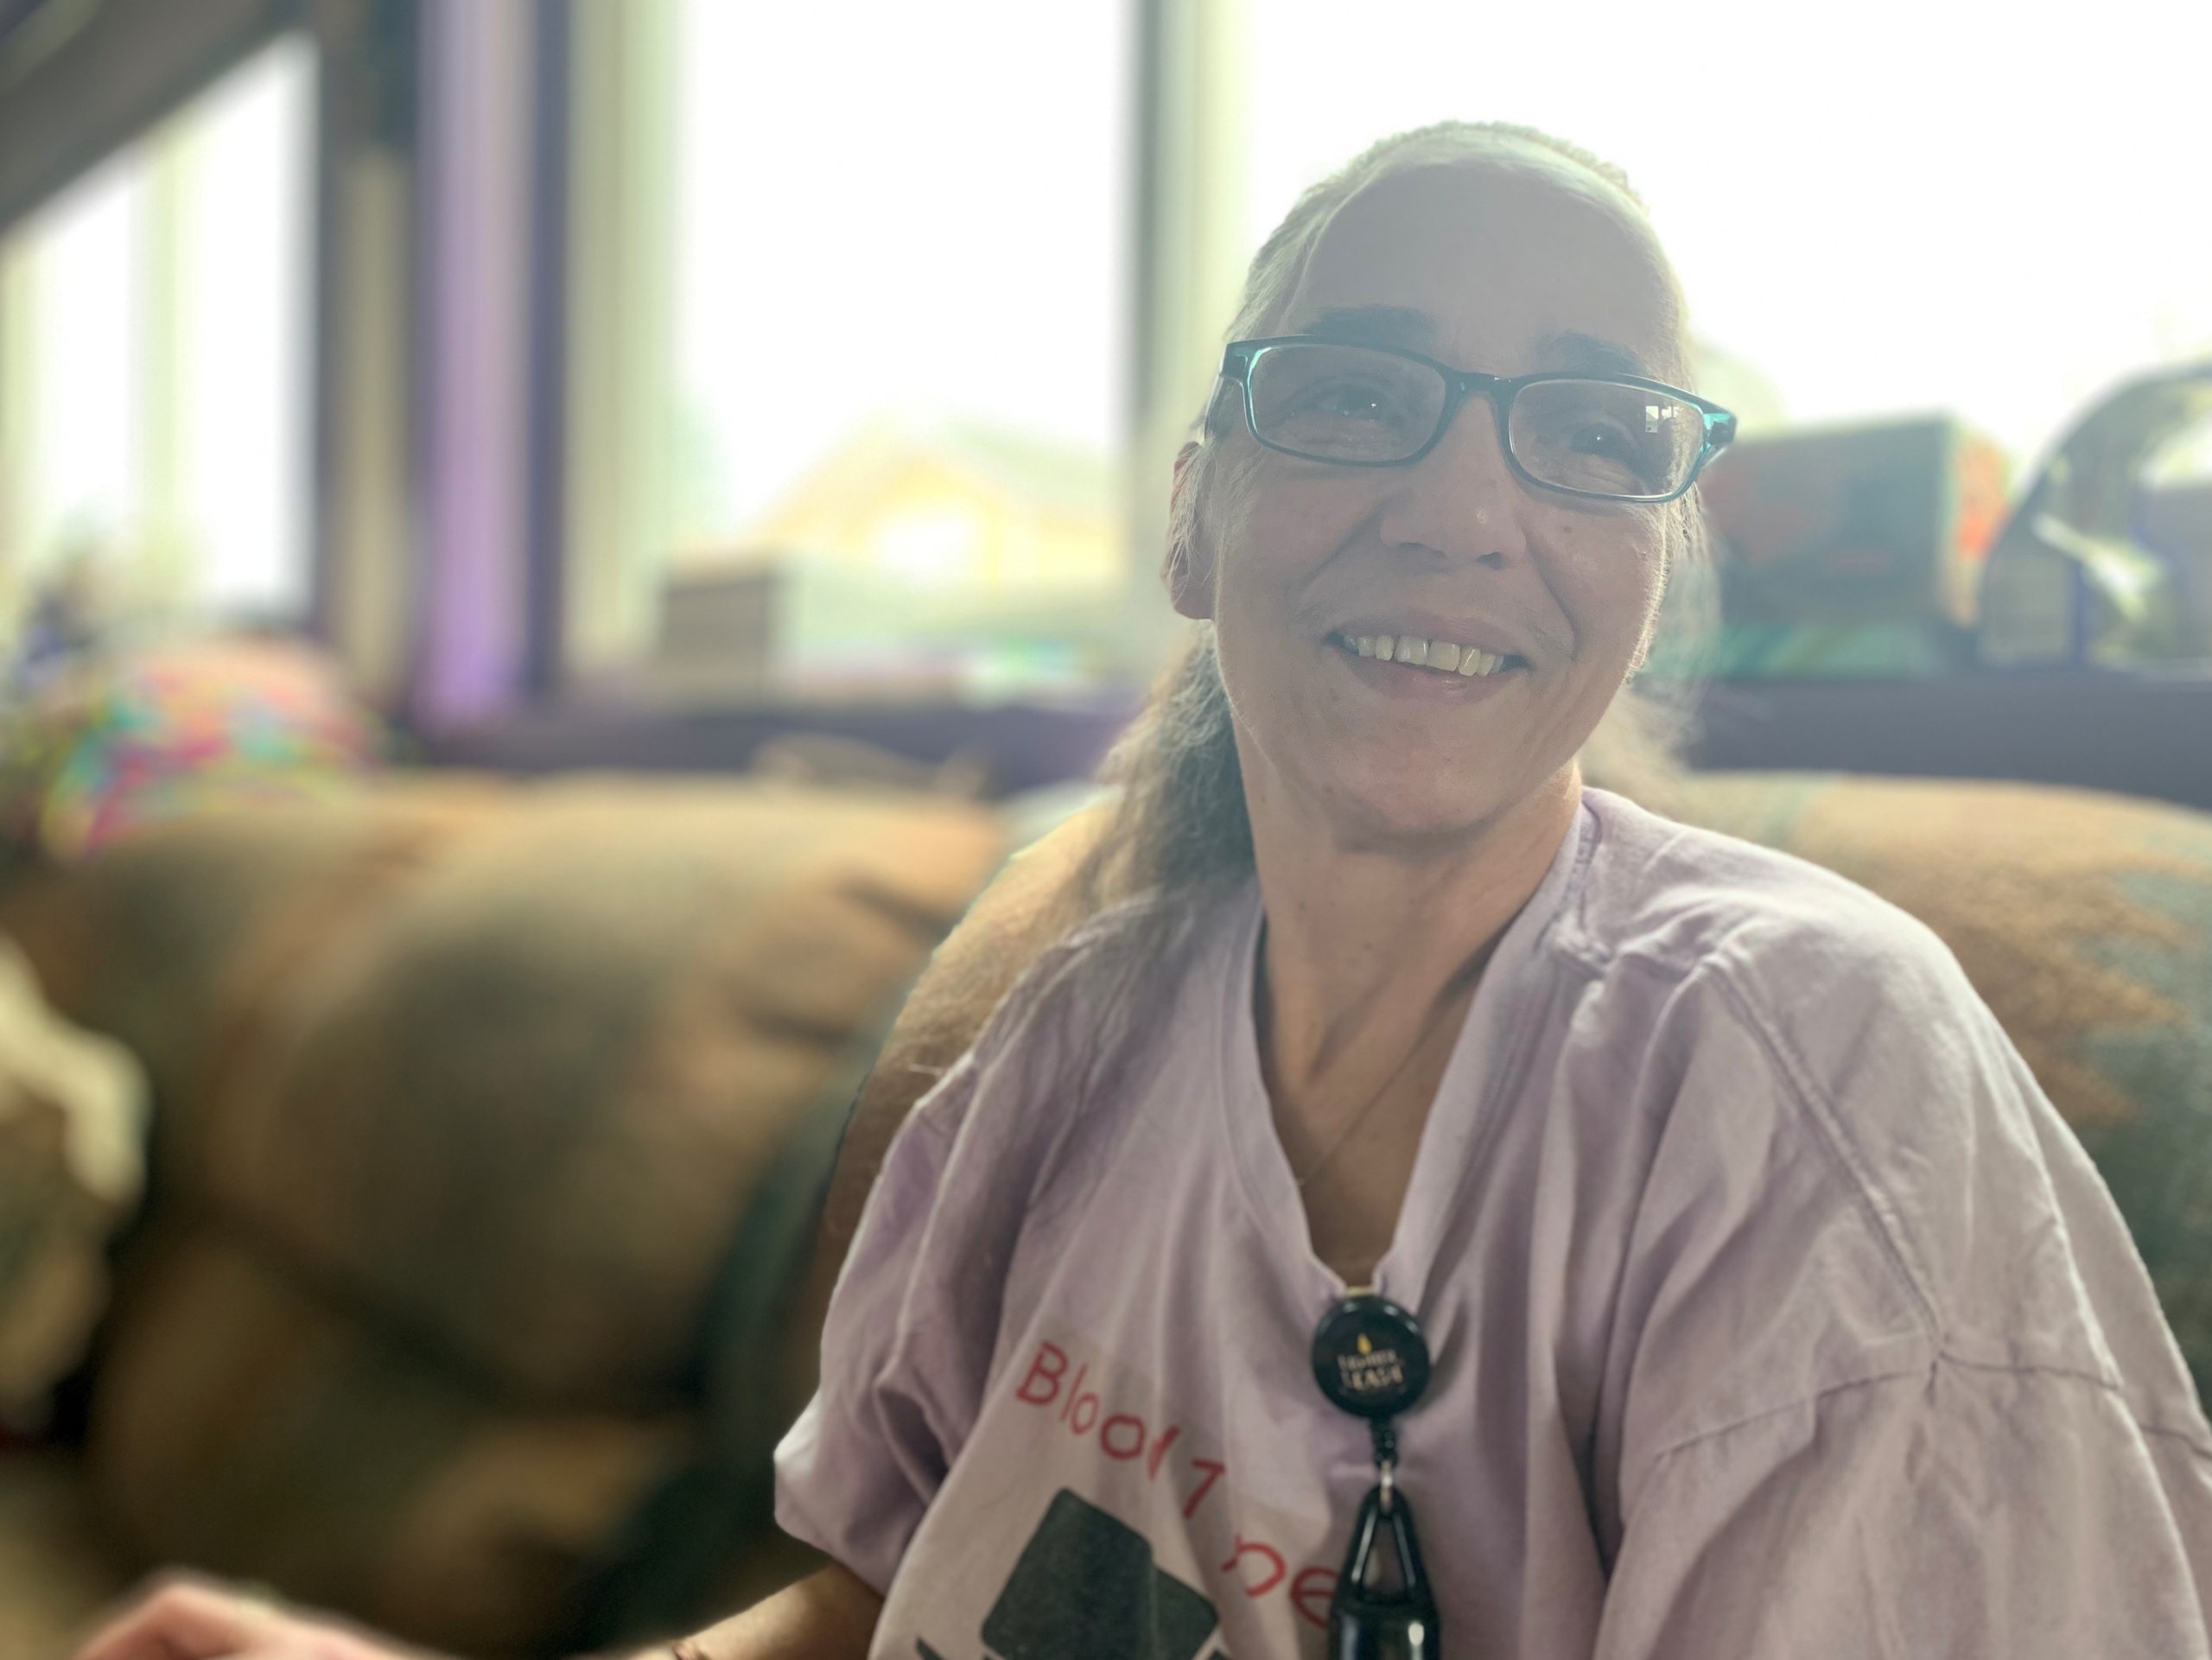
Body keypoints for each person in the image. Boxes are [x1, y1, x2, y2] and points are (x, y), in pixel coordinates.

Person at [73, 121, 2212, 1660]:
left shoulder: (1801, 1066)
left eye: (1583, 429)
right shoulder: (1071, 1043)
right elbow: (864, 1607)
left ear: (1651, 564)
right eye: (1360, 397)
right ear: (1196, 530)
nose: (1465, 505)